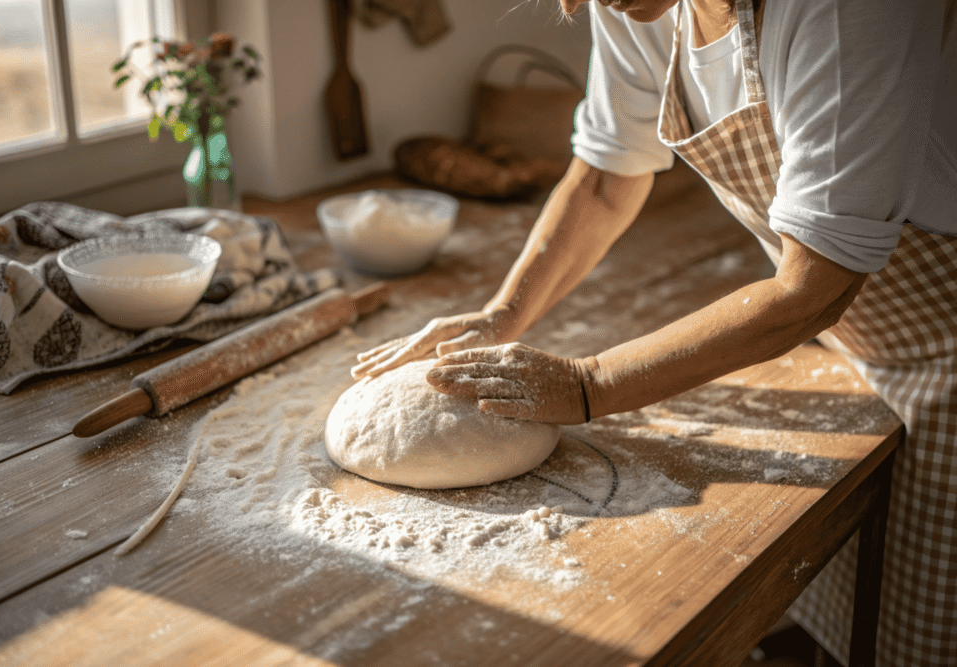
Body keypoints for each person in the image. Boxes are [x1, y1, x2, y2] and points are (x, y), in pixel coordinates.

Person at [351, 0, 956, 663]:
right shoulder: (636, 4)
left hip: (944, 352)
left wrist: (591, 382)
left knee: (915, 627)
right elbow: (608, 176)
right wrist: (503, 312)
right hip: (856, 341)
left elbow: (811, 287)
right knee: (828, 591)